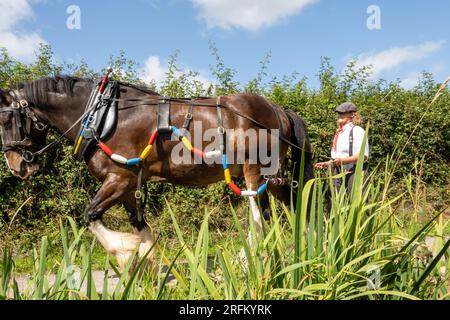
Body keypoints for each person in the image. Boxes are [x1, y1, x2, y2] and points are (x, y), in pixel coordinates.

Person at [314, 102, 369, 198]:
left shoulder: (357, 130)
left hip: (354, 171)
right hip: (337, 170)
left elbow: (363, 155)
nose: (339, 115)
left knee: (355, 204)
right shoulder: (339, 133)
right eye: (338, 113)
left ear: (352, 114)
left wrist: (341, 161)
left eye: (342, 113)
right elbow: (338, 157)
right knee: (336, 203)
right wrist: (328, 163)